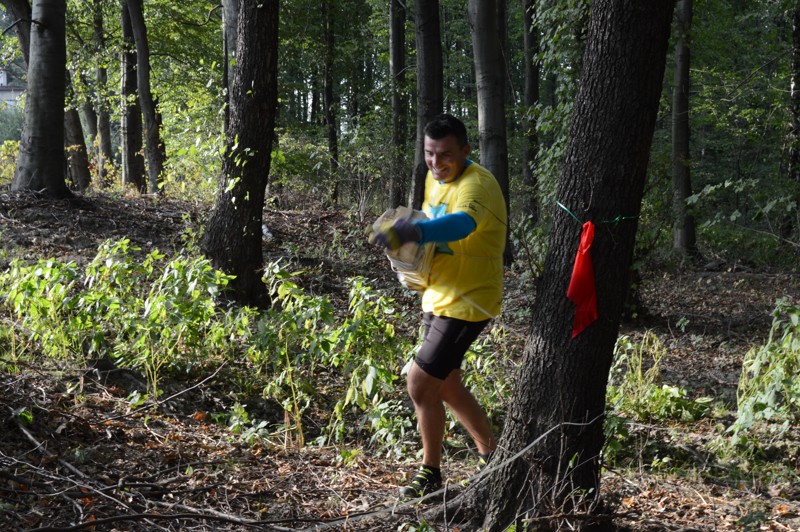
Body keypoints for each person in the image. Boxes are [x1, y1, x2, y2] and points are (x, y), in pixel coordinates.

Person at [372, 114, 507, 498]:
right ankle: (491, 455)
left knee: (419, 381)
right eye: (430, 154)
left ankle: (430, 472)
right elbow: (433, 225)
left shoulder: (477, 184)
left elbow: (463, 224)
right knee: (445, 384)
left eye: (446, 155)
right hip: (438, 295)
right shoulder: (434, 178)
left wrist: (415, 231)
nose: (437, 163)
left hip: (468, 302)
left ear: (465, 150)